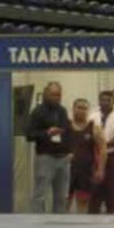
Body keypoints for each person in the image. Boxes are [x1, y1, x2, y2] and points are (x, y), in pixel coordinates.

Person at [25, 81, 72, 213]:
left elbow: (67, 132)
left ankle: (59, 223)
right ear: (46, 93)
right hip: (45, 158)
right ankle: (38, 223)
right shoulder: (38, 111)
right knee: (40, 195)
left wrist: (70, 151)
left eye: (59, 95)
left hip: (62, 158)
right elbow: (29, 135)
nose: (57, 97)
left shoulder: (62, 111)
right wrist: (46, 133)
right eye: (53, 94)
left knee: (61, 197)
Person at [88, 90, 114, 214]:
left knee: (113, 193)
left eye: (108, 100)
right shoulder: (92, 115)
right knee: (95, 192)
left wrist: (105, 146)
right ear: (99, 101)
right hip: (96, 159)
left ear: (113, 101)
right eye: (102, 100)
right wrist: (99, 148)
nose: (105, 102)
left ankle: (113, 219)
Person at [66, 98, 105, 213]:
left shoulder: (94, 128)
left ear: (88, 111)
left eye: (84, 108)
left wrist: (100, 169)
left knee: (83, 203)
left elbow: (103, 149)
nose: (81, 110)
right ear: (73, 109)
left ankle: (81, 224)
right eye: (79, 107)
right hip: (67, 170)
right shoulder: (65, 126)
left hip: (85, 171)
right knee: (64, 201)